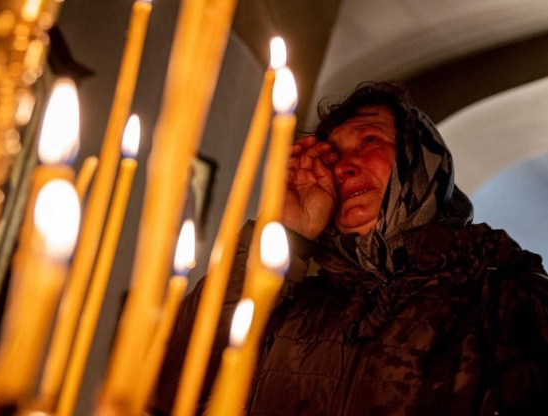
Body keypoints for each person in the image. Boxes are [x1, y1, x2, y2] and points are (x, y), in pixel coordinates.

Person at [153, 82, 548, 415]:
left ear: (418, 156)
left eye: (369, 140)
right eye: (334, 157)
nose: (344, 166)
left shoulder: (500, 291)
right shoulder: (294, 306)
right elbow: (172, 387)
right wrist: (287, 233)